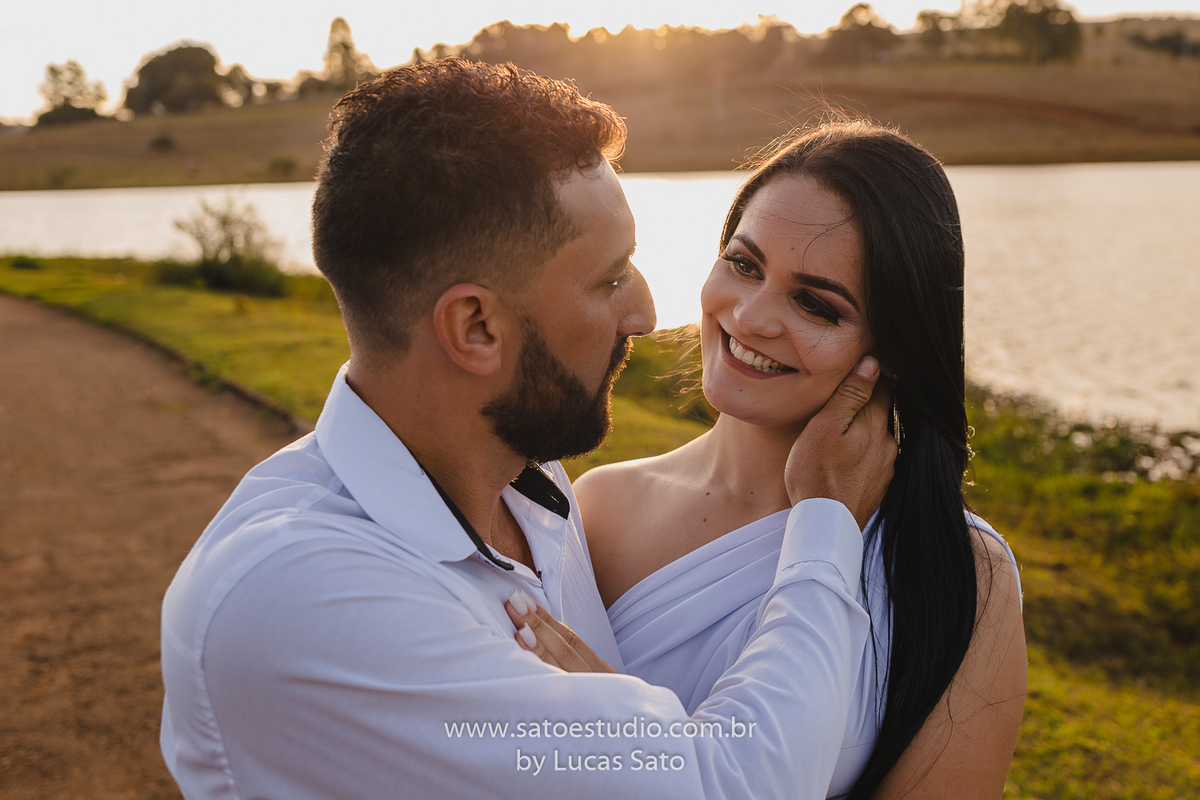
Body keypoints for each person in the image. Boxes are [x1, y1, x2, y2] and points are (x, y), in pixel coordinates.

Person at [159, 60, 898, 799]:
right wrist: (827, 520)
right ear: (476, 327)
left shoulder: (530, 488)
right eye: (610, 280)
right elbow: (732, 787)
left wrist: (636, 733)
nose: (645, 312)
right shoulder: (302, 594)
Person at [547, 122, 1027, 798]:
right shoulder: (600, 509)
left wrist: (626, 741)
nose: (750, 316)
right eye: (744, 265)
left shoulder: (961, 571)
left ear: (893, 344)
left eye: (814, 303)